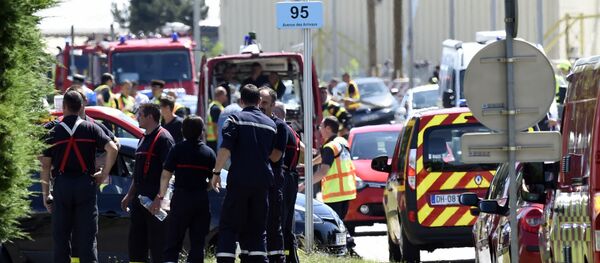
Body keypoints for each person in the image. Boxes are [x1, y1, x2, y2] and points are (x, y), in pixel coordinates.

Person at [40, 90, 118, 263]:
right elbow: (113, 148)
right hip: (85, 184)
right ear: (81, 106)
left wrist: (46, 195)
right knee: (87, 238)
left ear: (64, 107)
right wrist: (103, 173)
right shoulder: (91, 127)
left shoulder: (53, 131)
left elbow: (45, 165)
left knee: (61, 239)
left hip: (62, 185)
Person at [211, 84, 277, 263]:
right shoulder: (271, 125)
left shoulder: (235, 119)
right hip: (262, 182)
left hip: (240, 180)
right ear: (258, 101)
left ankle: (226, 260)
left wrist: (216, 173)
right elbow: (271, 154)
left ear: (241, 101)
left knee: (229, 225)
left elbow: (225, 149)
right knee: (257, 228)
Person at [155, 116, 216, 263]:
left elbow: (165, 175)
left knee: (173, 241)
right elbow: (213, 181)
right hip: (200, 200)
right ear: (202, 132)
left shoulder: (177, 149)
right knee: (197, 242)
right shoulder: (209, 153)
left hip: (181, 199)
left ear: (183, 131)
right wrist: (203, 188)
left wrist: (161, 196)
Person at [121, 103, 175, 263]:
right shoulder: (143, 138)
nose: (137, 117)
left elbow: (170, 174)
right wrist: (129, 195)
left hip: (155, 203)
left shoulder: (164, 139)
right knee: (136, 245)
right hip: (140, 201)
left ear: (150, 117)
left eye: (140, 115)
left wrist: (160, 198)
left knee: (158, 246)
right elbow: (137, 173)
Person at [299, 116, 357, 219]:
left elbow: (323, 172)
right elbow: (325, 157)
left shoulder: (330, 147)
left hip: (335, 194)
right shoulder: (341, 142)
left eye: (320, 126)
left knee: (334, 225)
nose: (319, 129)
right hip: (346, 191)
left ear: (328, 129)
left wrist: (304, 184)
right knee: (340, 223)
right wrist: (311, 163)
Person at [259, 87, 288, 263]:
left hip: (273, 185)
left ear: (273, 105)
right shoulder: (255, 124)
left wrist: (255, 151)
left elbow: (276, 156)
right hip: (256, 186)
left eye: (265, 103)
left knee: (273, 228)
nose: (261, 106)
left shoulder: (280, 127)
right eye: (259, 102)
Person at [273, 102, 302, 263]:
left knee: (281, 221)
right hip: (291, 177)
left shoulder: (281, 129)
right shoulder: (293, 131)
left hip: (285, 179)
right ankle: (291, 257)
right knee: (286, 223)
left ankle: (284, 257)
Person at [207, 86, 228, 152]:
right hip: (214, 140)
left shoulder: (215, 106)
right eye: (225, 95)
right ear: (221, 95)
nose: (226, 97)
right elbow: (215, 125)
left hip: (213, 139)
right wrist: (218, 140)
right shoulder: (216, 108)